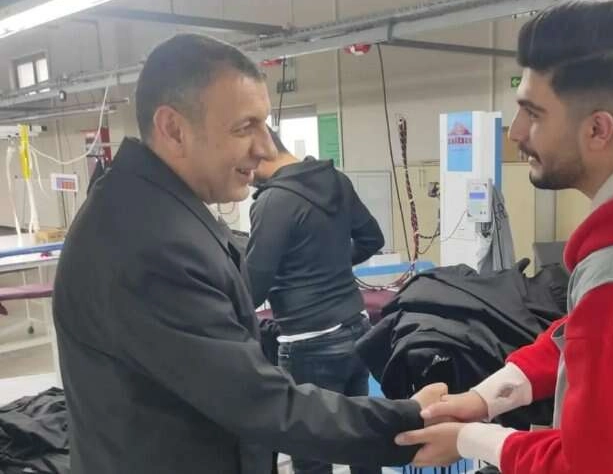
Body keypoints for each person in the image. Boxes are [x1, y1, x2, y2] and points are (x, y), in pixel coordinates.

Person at [53, 33, 446, 474]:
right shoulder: (145, 242)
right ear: (174, 129)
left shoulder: (156, 210)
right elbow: (261, 402)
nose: (264, 149)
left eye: (264, 125)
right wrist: (408, 421)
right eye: (244, 128)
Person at [394, 0, 613, 473]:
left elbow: (592, 466)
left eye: (534, 113)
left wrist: (471, 440)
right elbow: (589, 336)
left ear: (598, 130)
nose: (516, 132)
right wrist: (485, 398)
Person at [246, 130, 384, 474]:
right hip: (357, 330)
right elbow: (372, 238)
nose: (245, 178)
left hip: (309, 344)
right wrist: (330, 264)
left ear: (260, 152)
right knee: (363, 442)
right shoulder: (336, 181)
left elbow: (252, 288)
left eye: (244, 166)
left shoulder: (273, 201)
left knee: (311, 456)